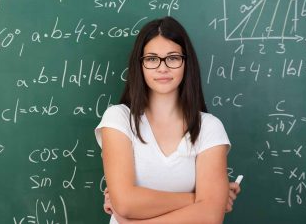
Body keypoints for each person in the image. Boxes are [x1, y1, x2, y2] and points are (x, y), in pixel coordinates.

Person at [95, 16, 241, 223]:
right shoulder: (118, 119)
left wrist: (133, 219)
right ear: (140, 65)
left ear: (186, 63)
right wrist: (202, 199)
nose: (162, 68)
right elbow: (126, 203)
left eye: (173, 58)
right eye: (152, 59)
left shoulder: (209, 127)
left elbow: (210, 217)